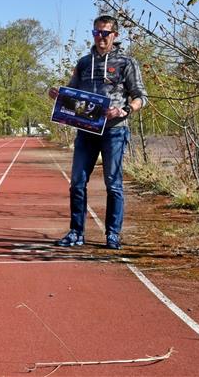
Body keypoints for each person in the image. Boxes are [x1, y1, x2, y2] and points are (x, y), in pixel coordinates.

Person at [50, 14, 147, 250]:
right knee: (77, 183)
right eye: (96, 33)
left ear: (114, 35)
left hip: (114, 131)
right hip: (86, 132)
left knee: (113, 184)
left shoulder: (126, 62)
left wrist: (124, 110)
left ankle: (112, 233)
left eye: (105, 33)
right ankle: (76, 232)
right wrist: (58, 95)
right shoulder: (83, 63)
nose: (100, 38)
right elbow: (71, 93)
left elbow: (141, 97)